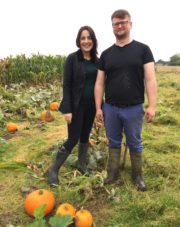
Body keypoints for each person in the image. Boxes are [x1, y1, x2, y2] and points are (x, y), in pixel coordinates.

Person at [94, 9, 157, 191]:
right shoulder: (106, 54)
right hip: (111, 108)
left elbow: (150, 79)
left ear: (130, 24)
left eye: (123, 22)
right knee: (113, 141)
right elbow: (99, 83)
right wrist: (99, 108)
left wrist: (152, 105)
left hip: (134, 108)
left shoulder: (143, 50)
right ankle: (113, 173)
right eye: (115, 23)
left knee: (135, 142)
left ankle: (137, 175)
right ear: (112, 26)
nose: (119, 26)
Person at [47, 26, 98, 185]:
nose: (86, 41)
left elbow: (100, 84)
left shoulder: (98, 60)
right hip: (76, 106)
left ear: (93, 40)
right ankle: (53, 169)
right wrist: (67, 109)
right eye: (83, 38)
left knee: (85, 136)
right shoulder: (72, 59)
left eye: (89, 38)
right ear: (79, 41)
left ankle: (81, 163)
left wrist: (99, 108)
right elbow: (66, 84)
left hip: (91, 106)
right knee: (73, 138)